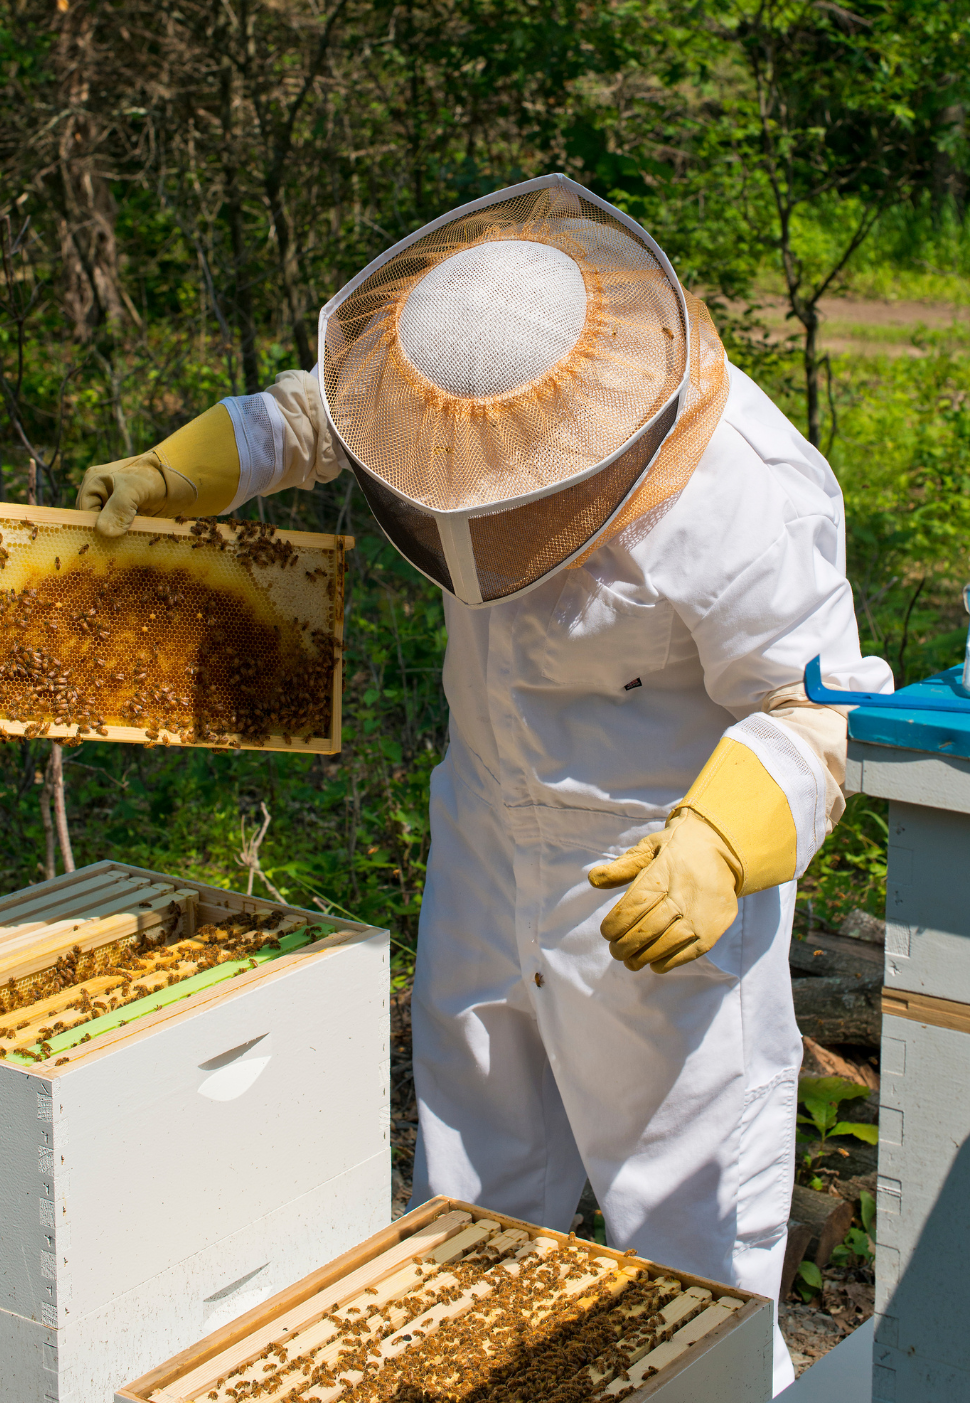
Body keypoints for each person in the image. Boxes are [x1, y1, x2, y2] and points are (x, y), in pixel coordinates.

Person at [77, 176, 891, 1392]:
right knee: (467, 1188)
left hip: (653, 874)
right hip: (482, 833)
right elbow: (316, 418)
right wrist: (179, 471)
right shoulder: (445, 373)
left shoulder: (745, 491)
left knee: (690, 1239)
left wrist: (723, 841)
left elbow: (818, 704)